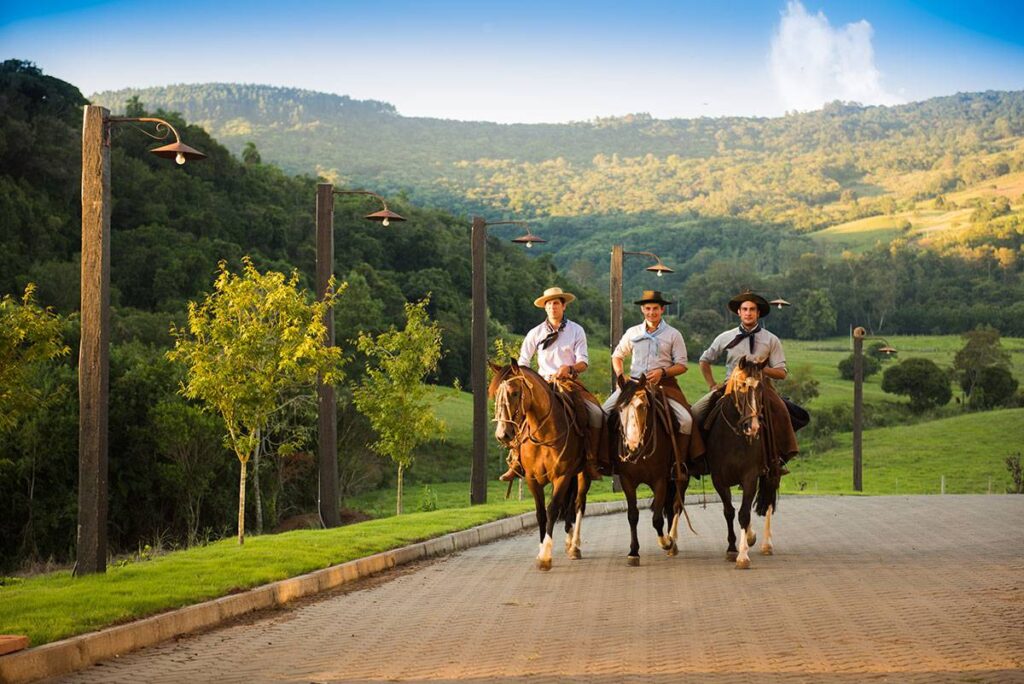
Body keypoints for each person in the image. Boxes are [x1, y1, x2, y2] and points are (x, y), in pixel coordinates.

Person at [500, 286, 608, 481]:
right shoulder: (535, 333)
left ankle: (591, 460)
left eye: (556, 303)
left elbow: (583, 361)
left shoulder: (576, 330)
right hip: (541, 384)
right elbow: (523, 362)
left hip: (568, 383)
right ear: (545, 308)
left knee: (596, 414)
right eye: (549, 304)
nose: (552, 307)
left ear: (563, 306)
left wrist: (570, 368)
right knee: (519, 412)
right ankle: (516, 459)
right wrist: (531, 379)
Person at [693, 289, 799, 471]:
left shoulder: (771, 339)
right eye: (745, 309)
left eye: (752, 309)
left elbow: (782, 372)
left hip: (762, 387)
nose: (748, 313)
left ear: (758, 313)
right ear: (739, 312)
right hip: (730, 387)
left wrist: (762, 369)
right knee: (695, 413)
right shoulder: (725, 337)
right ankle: (700, 459)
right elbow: (704, 360)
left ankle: (780, 457)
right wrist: (711, 384)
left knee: (783, 411)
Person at [602, 290, 704, 472]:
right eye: (648, 308)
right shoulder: (632, 332)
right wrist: (620, 375)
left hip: (663, 385)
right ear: (642, 309)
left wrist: (662, 371)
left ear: (662, 309)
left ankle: (679, 463)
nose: (651, 312)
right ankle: (605, 460)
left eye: (655, 309)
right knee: (603, 413)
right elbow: (617, 356)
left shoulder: (673, 334)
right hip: (633, 385)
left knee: (686, 420)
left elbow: (682, 365)